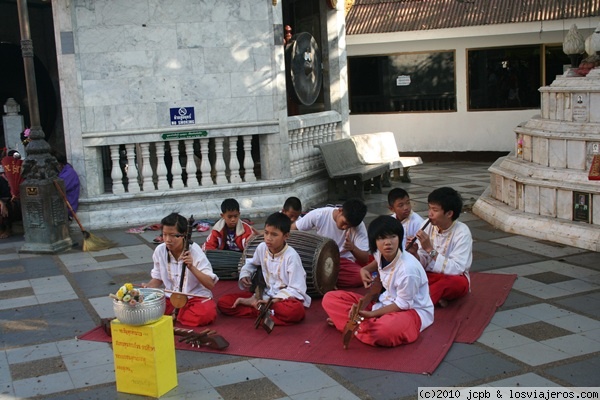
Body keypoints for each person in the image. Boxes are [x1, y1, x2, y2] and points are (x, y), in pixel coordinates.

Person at [322, 215, 433, 347]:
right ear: (374, 242)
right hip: (383, 303)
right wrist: (365, 269)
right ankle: (360, 325)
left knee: (383, 332)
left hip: (410, 312)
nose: (388, 242)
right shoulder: (380, 253)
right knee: (329, 298)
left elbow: (403, 305)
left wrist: (371, 314)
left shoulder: (408, 270)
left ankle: (353, 324)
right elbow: (377, 261)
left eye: (392, 236)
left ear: (399, 238)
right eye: (381, 238)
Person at [217, 212, 310, 325]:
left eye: (274, 235)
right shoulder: (262, 248)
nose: (268, 238)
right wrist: (245, 274)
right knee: (224, 303)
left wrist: (272, 301)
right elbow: (252, 263)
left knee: (296, 311)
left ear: (286, 236)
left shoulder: (291, 256)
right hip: (263, 296)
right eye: (266, 233)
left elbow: (297, 289)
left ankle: (263, 311)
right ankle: (264, 312)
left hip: (282, 301)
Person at [143, 213, 218, 326]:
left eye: (173, 235)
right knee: (145, 307)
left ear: (183, 235)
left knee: (206, 313)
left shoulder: (195, 251)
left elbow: (210, 284)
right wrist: (147, 288)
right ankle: (178, 314)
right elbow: (157, 278)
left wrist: (191, 267)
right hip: (171, 297)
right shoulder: (160, 250)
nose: (168, 240)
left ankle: (175, 315)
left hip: (193, 297)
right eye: (164, 235)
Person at [406, 187, 472, 307]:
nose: (430, 213)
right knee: (408, 274)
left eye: (434, 210)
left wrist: (430, 250)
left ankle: (417, 303)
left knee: (456, 283)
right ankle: (435, 298)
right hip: (429, 275)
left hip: (452, 278)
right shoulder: (427, 225)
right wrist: (415, 253)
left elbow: (457, 268)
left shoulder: (462, 232)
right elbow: (423, 262)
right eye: (429, 208)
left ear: (449, 214)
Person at [292, 198, 369, 288]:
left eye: (349, 226)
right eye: (344, 223)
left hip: (342, 263)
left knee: (360, 277)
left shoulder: (359, 227)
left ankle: (324, 281)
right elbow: (294, 228)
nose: (345, 227)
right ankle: (327, 281)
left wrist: (353, 248)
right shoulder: (319, 214)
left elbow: (365, 258)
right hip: (320, 259)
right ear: (340, 210)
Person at [0, 150, 23, 239]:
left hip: (19, 200)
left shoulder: (21, 173)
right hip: (5, 200)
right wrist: (2, 203)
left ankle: (8, 229)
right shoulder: (2, 177)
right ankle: (3, 228)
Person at [52, 150, 81, 217]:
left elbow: (56, 190)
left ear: (59, 164)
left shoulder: (68, 173)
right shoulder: (62, 172)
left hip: (67, 208)